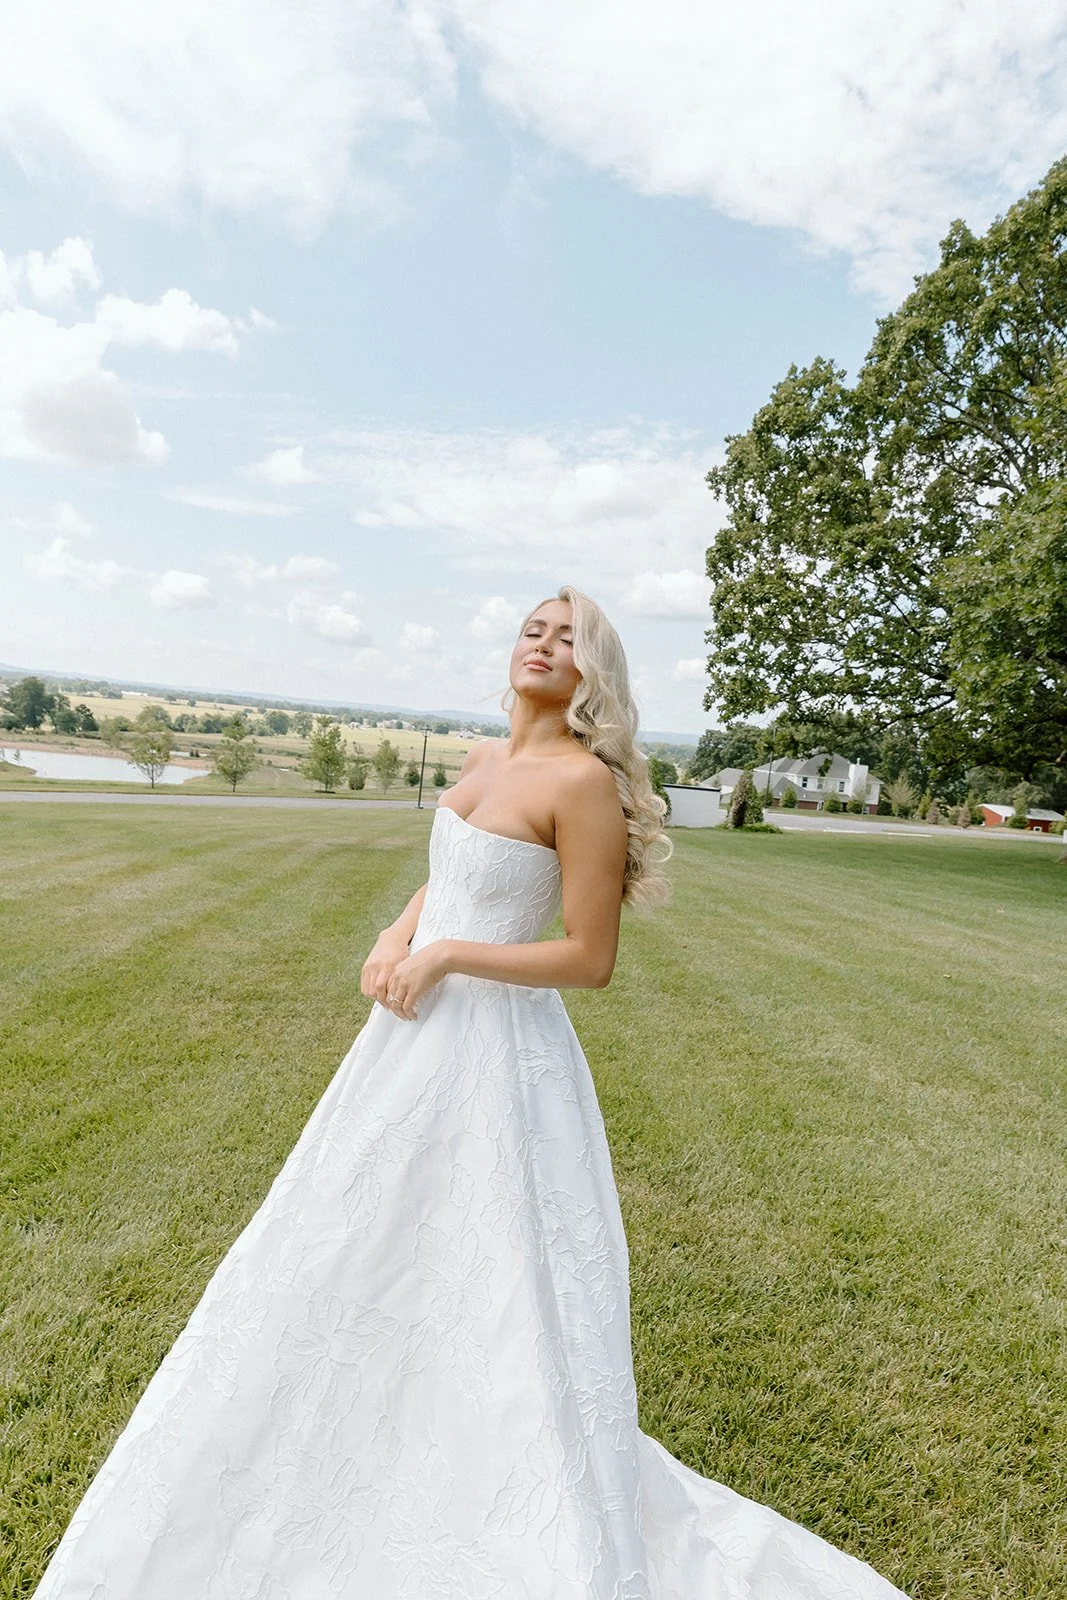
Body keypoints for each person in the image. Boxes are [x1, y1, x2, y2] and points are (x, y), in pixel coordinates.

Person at [32, 587, 909, 1599]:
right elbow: (451, 870)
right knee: (356, 1239)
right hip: (406, 1046)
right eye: (532, 629)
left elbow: (587, 956)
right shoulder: (485, 757)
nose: (543, 644)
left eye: (567, 637)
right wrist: (395, 933)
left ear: (593, 674)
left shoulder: (579, 782)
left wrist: (448, 952)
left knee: (486, 1270)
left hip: (499, 1058)